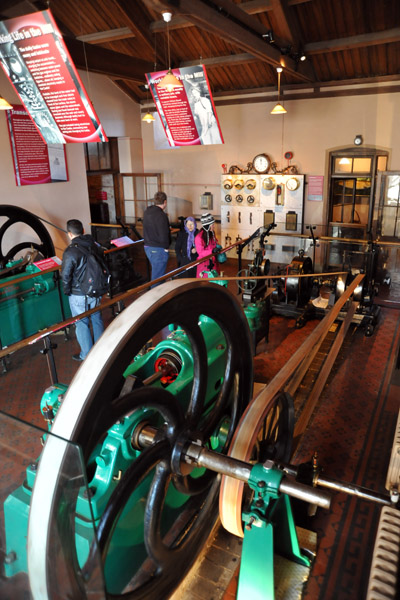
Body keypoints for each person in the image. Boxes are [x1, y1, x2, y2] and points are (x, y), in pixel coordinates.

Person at [61, 219, 105, 362]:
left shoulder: (70, 252)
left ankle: (86, 354)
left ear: (69, 234)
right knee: (96, 317)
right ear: (83, 231)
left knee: (81, 322)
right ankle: (100, 348)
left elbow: (66, 275)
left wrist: (67, 291)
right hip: (96, 289)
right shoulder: (94, 244)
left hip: (78, 293)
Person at [143, 191, 171, 285]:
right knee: (157, 280)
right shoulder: (161, 215)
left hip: (147, 247)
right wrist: (166, 248)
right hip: (158, 249)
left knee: (157, 274)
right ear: (165, 202)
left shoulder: (147, 212)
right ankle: (154, 298)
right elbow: (164, 234)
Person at [194, 213, 219, 278]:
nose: (214, 226)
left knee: (215, 284)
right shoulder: (198, 238)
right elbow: (201, 253)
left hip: (213, 263)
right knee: (205, 285)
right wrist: (212, 251)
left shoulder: (212, 234)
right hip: (204, 266)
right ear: (207, 226)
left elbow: (214, 243)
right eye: (212, 225)